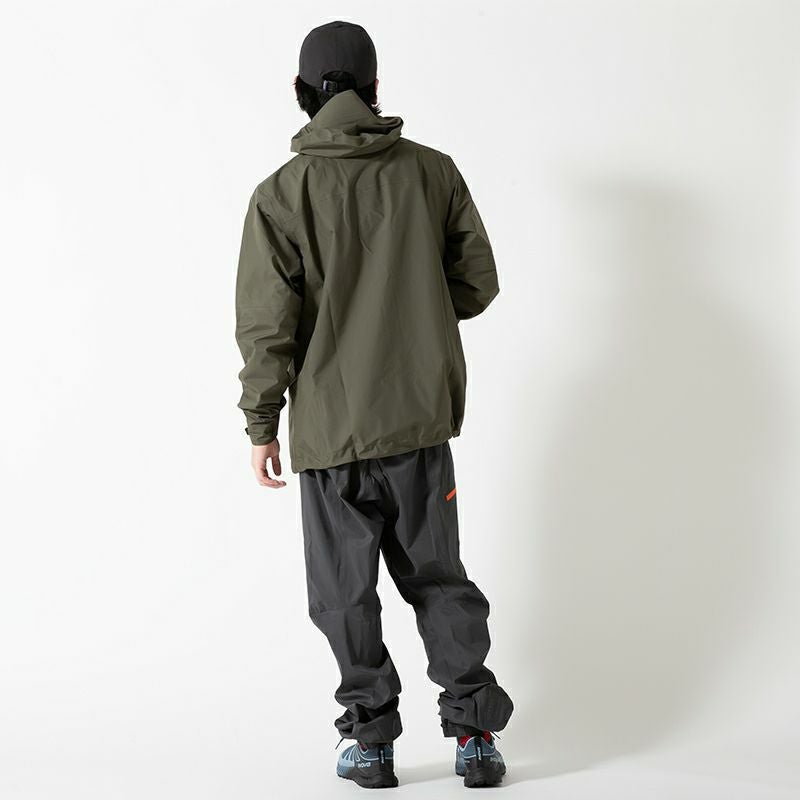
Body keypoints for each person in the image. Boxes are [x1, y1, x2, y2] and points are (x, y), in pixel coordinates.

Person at [234, 20, 513, 789]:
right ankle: (475, 736)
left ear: (300, 92)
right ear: (376, 88)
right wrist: (418, 314)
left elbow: (267, 327)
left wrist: (261, 425)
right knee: (439, 579)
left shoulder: (280, 195)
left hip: (331, 435)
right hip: (418, 424)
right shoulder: (432, 172)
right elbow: (477, 282)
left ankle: (371, 742)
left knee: (343, 596)